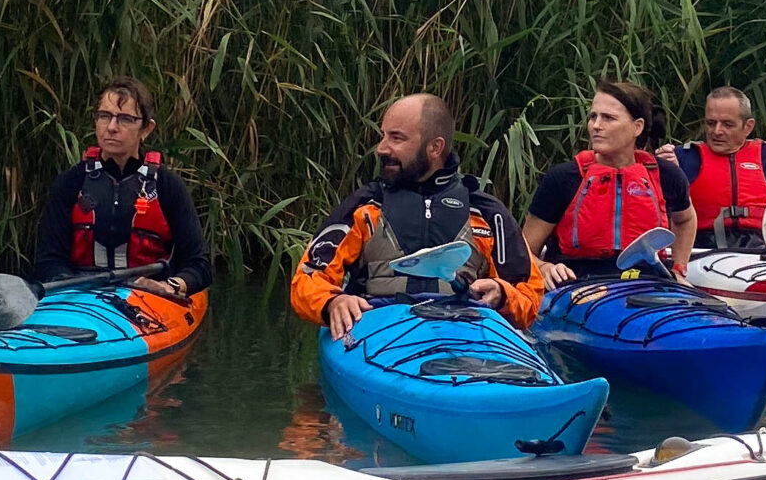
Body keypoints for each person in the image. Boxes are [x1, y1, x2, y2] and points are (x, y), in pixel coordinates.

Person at [293, 94, 544, 338]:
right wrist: (332, 302)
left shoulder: (486, 213)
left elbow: (530, 297)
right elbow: (308, 278)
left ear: (435, 147)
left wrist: (502, 294)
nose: (381, 149)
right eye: (383, 136)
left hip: (463, 331)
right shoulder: (364, 207)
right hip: (378, 325)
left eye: (396, 138)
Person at [31, 76, 213, 301]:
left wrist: (171, 285)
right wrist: (65, 285)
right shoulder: (70, 183)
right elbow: (49, 261)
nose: (111, 127)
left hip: (148, 296)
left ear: (146, 129)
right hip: (81, 295)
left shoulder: (168, 187)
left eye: (125, 119)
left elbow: (199, 265)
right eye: (104, 116)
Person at [522, 80, 696, 286]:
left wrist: (678, 267)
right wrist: (544, 267)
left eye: (608, 118)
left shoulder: (666, 175)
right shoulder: (563, 178)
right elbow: (524, 249)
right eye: (593, 116)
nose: (596, 126)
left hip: (646, 284)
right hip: (577, 285)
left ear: (637, 127)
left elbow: (686, 219)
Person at [671, 86, 766, 251]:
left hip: (762, 252)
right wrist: (664, 168)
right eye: (710, 123)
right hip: (701, 251)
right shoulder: (682, 157)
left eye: (727, 124)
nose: (717, 131)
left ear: (748, 127)